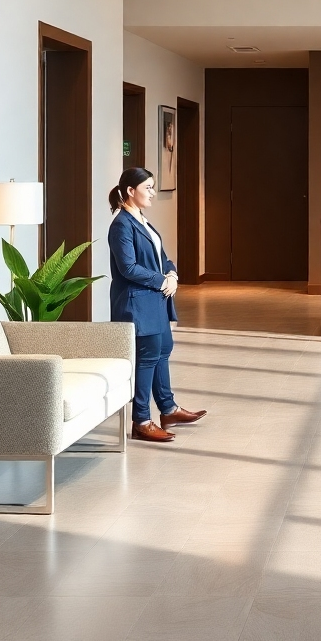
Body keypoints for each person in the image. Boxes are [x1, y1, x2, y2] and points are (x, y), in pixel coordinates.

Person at [108, 167, 206, 443]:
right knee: (147, 357)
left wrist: (172, 273)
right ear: (130, 190)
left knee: (163, 349)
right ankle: (141, 420)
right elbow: (128, 268)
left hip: (156, 300)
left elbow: (161, 256)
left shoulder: (143, 220)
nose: (152, 192)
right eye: (148, 187)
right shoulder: (121, 225)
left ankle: (168, 408)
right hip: (138, 302)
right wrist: (162, 281)